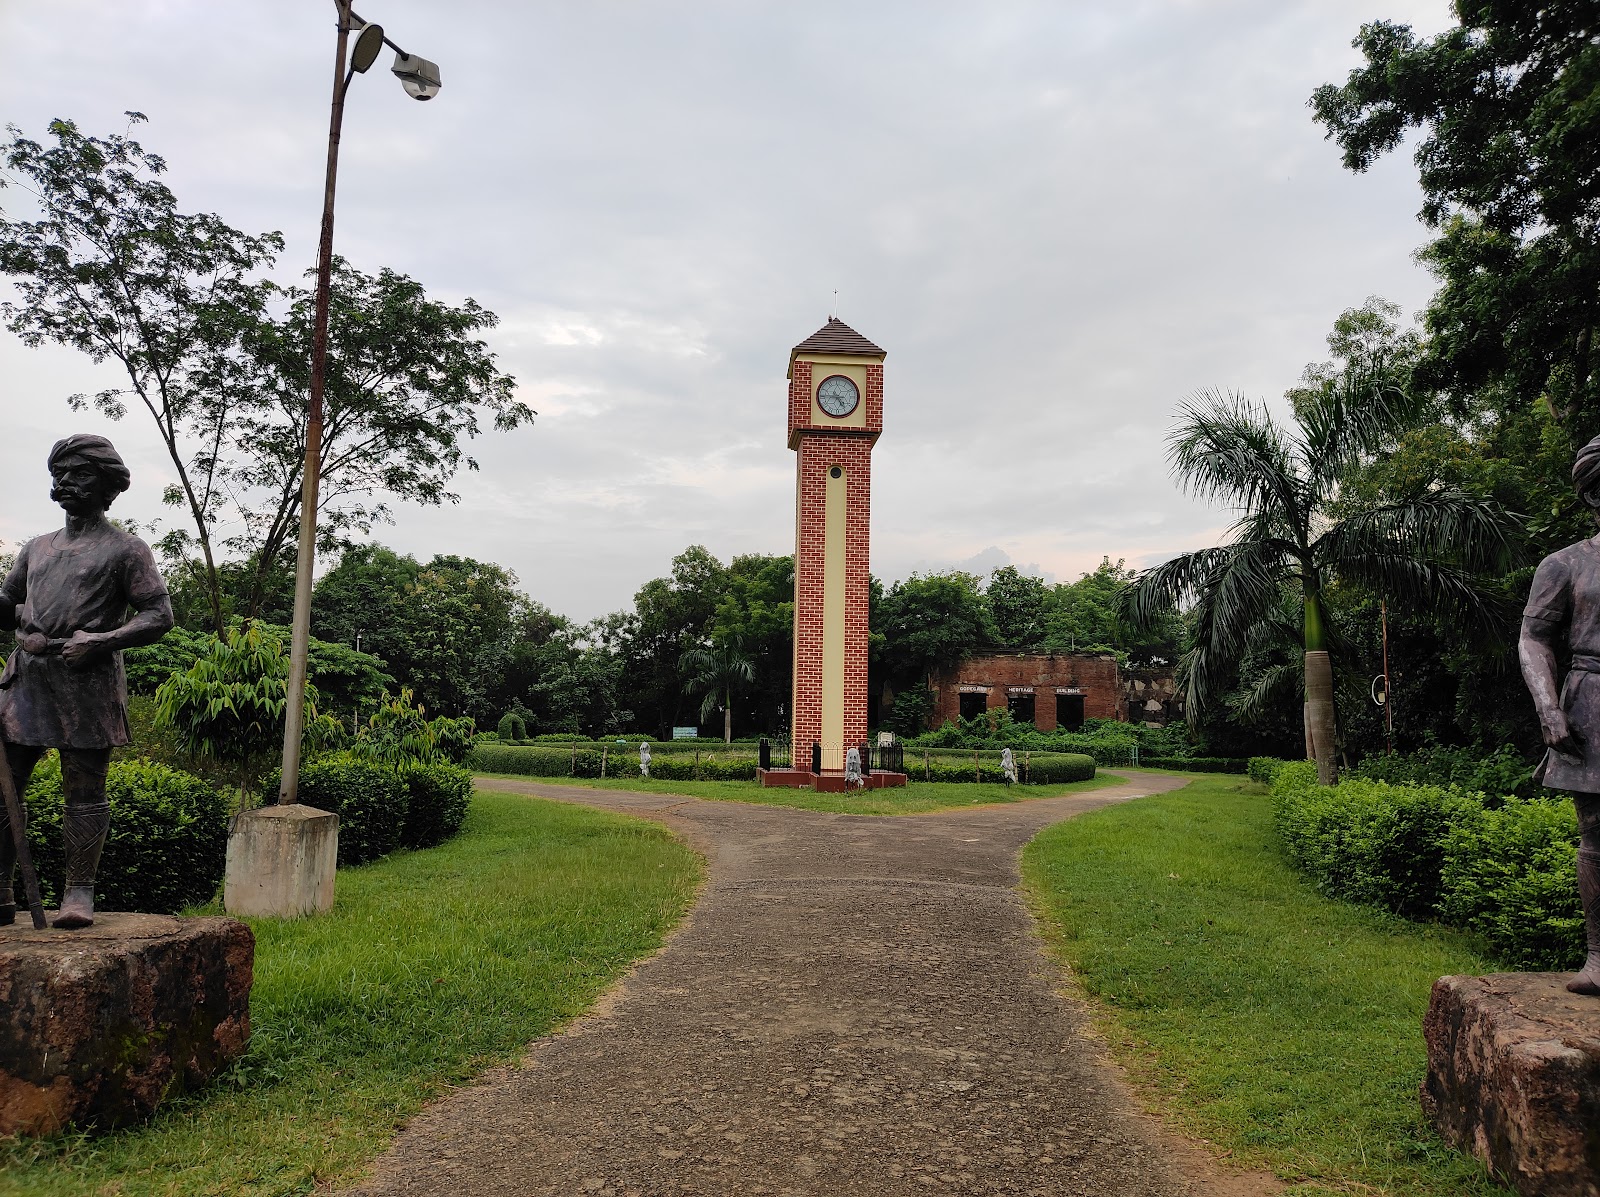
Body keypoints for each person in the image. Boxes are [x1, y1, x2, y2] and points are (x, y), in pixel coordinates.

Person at [0, 436, 173, 929]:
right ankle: (1, 887)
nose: (66, 483)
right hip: (28, 680)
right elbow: (8, 604)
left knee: (84, 791)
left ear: (108, 485)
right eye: (60, 474)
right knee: (5, 785)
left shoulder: (125, 549)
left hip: (88, 681)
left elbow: (159, 615)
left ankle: (78, 892)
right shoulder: (37, 548)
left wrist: (100, 641)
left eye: (80, 474)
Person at [1520, 431, 1600, 995]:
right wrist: (1549, 706)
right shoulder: (1565, 564)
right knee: (1596, 835)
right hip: (1593, 700)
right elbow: (1533, 636)